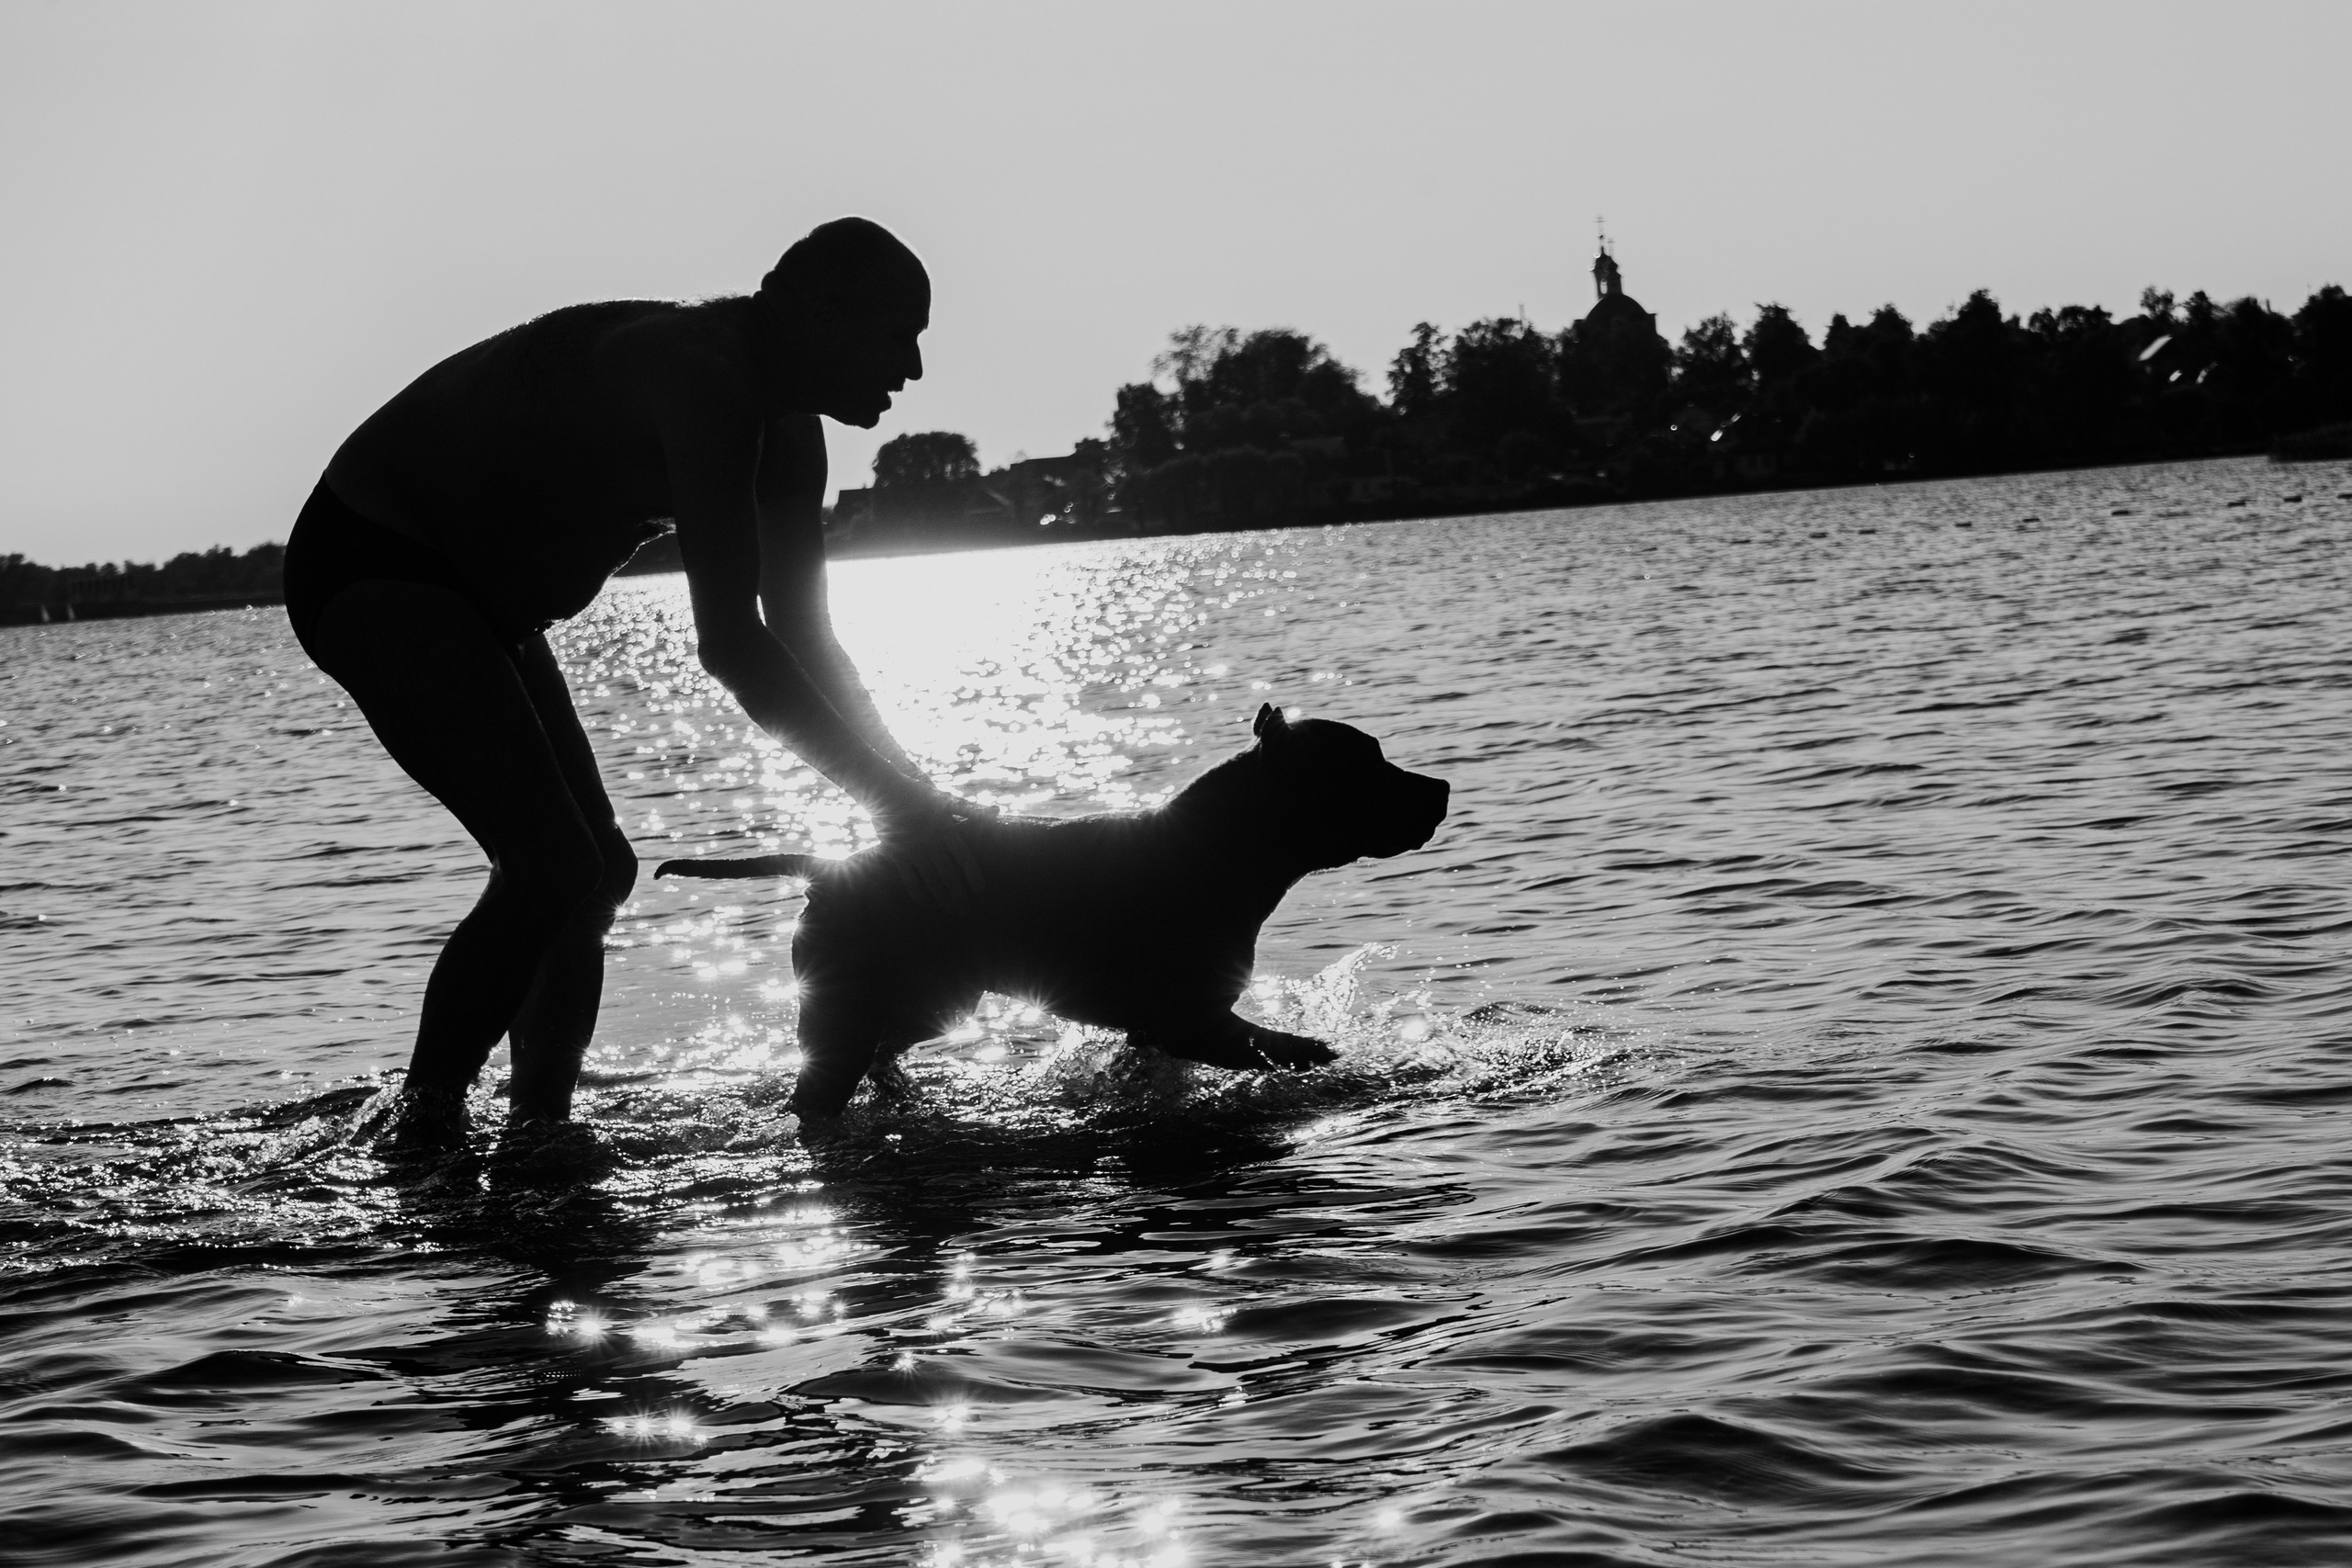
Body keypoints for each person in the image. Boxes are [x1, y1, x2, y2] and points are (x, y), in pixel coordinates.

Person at [286, 216, 984, 1154]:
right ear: (822, 315)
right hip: (374, 554)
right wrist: (903, 807)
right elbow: (731, 646)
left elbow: (806, 639)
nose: (912, 368)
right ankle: (422, 1136)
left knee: (594, 872)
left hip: (485, 603)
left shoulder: (789, 441)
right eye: (902, 334)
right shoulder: (699, 375)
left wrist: (914, 796)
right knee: (552, 865)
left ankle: (538, 1135)